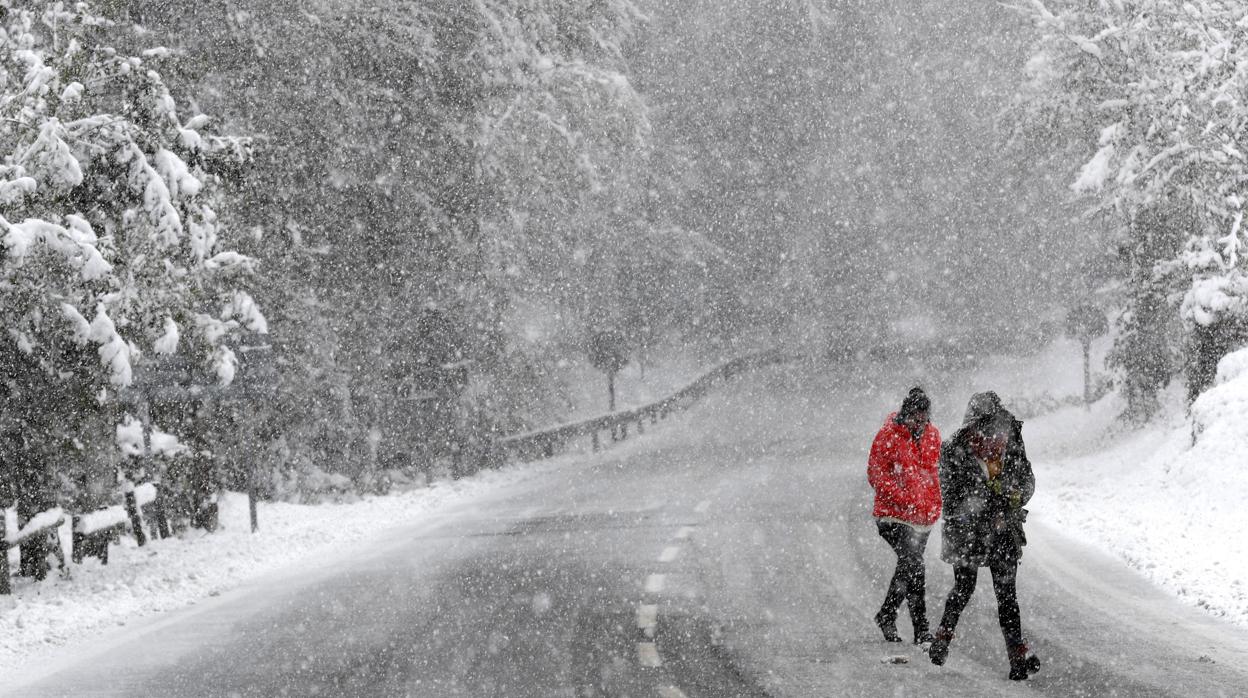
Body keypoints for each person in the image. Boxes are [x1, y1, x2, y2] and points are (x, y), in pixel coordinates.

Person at [928, 391, 1041, 681]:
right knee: (977, 590)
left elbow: (1026, 479)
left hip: (993, 530)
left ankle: (1014, 657)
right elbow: (951, 497)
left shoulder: (1006, 441)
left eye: (994, 426)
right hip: (975, 530)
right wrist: (987, 505)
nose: (991, 434)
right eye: (985, 426)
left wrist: (1014, 497)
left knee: (993, 593)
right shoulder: (957, 447)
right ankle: (947, 639)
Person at [867, 387, 942, 645]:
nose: (919, 423)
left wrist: (934, 503)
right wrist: (903, 498)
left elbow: (936, 473)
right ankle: (920, 630)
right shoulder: (888, 435)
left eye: (924, 418)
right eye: (915, 417)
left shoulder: (933, 436)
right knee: (914, 564)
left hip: (922, 519)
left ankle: (888, 616)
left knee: (911, 567)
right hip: (893, 517)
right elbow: (876, 474)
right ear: (905, 413)